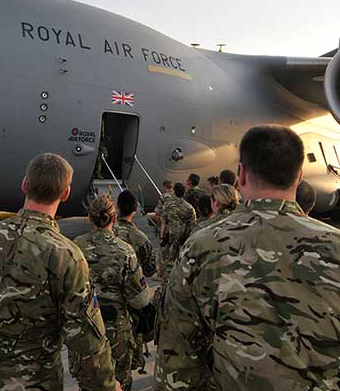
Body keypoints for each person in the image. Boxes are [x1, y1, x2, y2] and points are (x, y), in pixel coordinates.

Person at [155, 125, 340, 390]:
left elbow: (177, 360)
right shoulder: (335, 246)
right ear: (299, 177)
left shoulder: (202, 247)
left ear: (241, 175)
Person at [0, 153, 118, 391]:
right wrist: (106, 385)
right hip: (35, 382)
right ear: (65, 193)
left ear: (24, 185)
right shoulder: (67, 256)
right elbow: (84, 337)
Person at [75, 195, 151, 391]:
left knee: (88, 383)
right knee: (120, 382)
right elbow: (140, 299)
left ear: (90, 218)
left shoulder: (75, 248)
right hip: (116, 331)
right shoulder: (125, 251)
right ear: (114, 219)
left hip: (84, 329)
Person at [113, 190, 156, 373]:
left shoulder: (107, 233)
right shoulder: (140, 238)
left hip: (102, 308)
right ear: (136, 209)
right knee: (126, 366)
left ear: (117, 208)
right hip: (129, 311)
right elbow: (151, 269)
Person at [159, 183, 196, 278]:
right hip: (182, 235)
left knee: (166, 256)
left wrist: (161, 235)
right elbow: (192, 224)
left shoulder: (168, 204)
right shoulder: (188, 207)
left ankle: (164, 275)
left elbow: (163, 220)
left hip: (169, 234)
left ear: (174, 191)